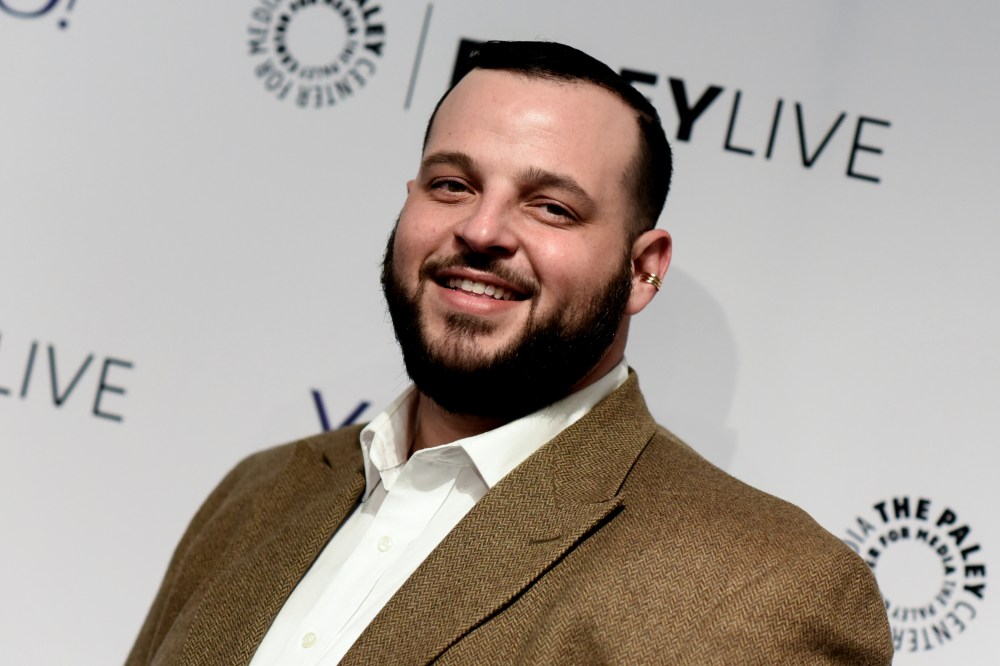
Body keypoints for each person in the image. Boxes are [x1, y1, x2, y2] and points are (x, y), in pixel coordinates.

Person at [127, 41, 892, 665]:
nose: (482, 230)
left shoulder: (766, 590)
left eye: (551, 207)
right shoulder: (260, 492)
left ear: (642, 270)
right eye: (452, 185)